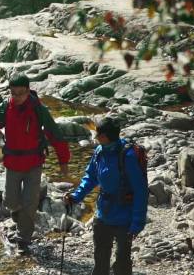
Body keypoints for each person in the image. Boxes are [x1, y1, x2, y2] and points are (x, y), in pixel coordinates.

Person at [0, 73, 71, 254]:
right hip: (13, 163)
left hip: (33, 163)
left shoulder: (39, 109)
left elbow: (56, 135)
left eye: (20, 93)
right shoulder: (5, 107)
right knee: (10, 201)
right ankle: (18, 216)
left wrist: (63, 161)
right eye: (13, 93)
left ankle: (24, 240)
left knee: (30, 202)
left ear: (28, 90)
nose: (17, 97)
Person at [64, 117, 148, 275]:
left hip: (125, 217)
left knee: (122, 261)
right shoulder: (100, 151)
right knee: (100, 257)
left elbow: (141, 191)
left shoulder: (128, 156)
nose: (95, 138)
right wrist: (76, 196)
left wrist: (138, 222)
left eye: (98, 135)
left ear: (106, 136)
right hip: (103, 214)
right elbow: (90, 177)